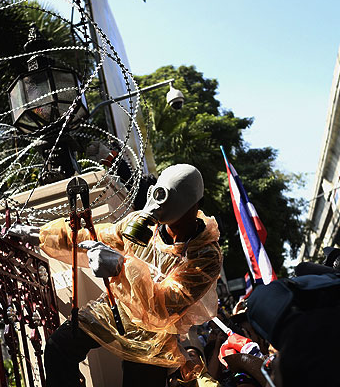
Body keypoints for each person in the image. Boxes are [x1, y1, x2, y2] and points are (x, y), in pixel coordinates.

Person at [11, 164, 222, 387]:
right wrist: (41, 235)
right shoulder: (145, 225)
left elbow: (164, 305)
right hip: (117, 308)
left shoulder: (206, 255)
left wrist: (120, 267)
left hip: (155, 335)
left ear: (196, 205)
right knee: (58, 347)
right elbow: (95, 236)